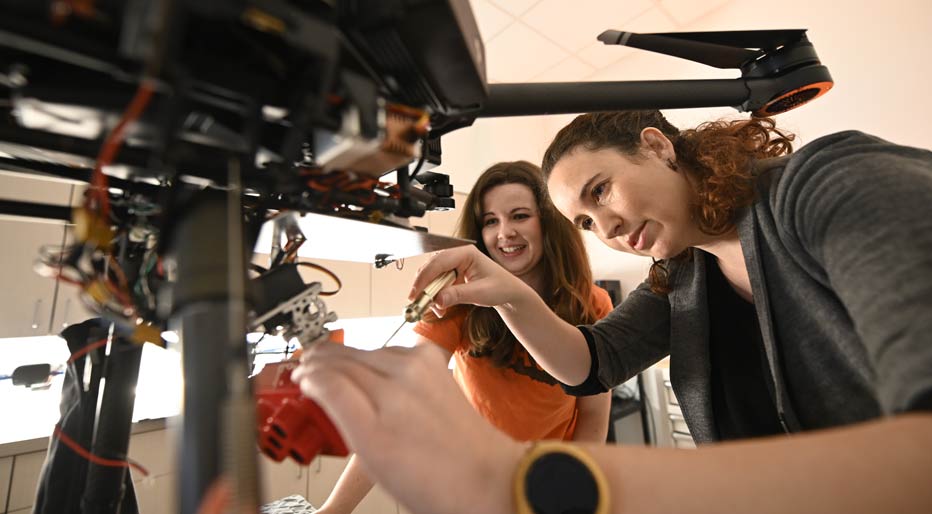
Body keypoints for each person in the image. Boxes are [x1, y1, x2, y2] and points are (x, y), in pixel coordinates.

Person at [292, 111, 932, 514]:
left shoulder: (826, 183)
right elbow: (590, 364)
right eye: (587, 220)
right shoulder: (686, 275)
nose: (608, 227)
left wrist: (513, 483)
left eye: (602, 191)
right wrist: (510, 292)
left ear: (657, 146)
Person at [314, 161, 615, 514]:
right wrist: (333, 510)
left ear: (548, 222)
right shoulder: (459, 301)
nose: (504, 233)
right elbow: (399, 407)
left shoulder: (592, 304)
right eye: (490, 221)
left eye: (519, 216)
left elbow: (593, 416)